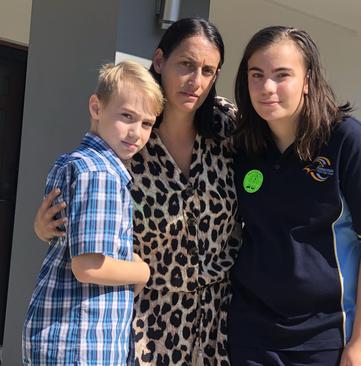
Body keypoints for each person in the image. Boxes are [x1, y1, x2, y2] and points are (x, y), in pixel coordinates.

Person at [32, 18, 241, 366]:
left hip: (218, 319)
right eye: (186, 65)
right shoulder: (129, 135)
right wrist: (44, 230)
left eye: (208, 71)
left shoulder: (227, 128)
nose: (196, 81)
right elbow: (85, 202)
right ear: (159, 61)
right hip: (143, 318)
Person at [228, 26, 361, 366]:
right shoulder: (243, 146)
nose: (266, 88)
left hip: (323, 338)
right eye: (256, 75)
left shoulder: (349, 143)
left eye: (282, 75)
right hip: (250, 333)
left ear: (308, 80)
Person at [22, 60, 164, 365]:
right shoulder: (101, 174)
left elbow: (58, 238)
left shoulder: (73, 162)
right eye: (127, 116)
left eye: (147, 123)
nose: (136, 133)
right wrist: (142, 270)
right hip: (82, 338)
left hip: (63, 333)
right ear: (96, 108)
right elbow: (87, 267)